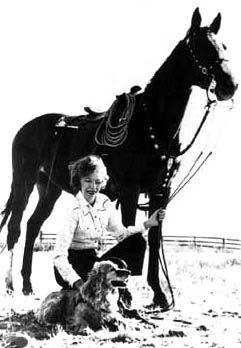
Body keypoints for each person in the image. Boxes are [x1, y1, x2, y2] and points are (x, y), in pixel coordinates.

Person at [53, 155, 166, 289]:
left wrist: (148, 223)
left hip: (93, 263)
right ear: (79, 181)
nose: (93, 187)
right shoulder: (73, 209)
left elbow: (122, 234)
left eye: (97, 182)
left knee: (137, 242)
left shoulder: (104, 202)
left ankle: (128, 292)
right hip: (72, 266)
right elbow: (59, 256)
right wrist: (77, 282)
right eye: (88, 181)